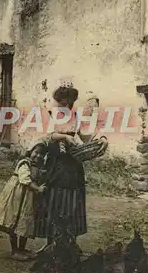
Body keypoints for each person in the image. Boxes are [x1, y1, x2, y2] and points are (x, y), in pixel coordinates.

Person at [34, 80, 108, 250]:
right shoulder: (50, 116)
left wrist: (102, 138)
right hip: (55, 165)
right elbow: (45, 137)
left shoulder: (76, 118)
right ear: (58, 101)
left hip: (73, 168)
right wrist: (63, 137)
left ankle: (70, 244)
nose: (66, 105)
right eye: (62, 102)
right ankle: (51, 244)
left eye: (70, 102)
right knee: (53, 203)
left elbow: (87, 136)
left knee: (72, 204)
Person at [0, 143, 47, 261]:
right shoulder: (24, 163)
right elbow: (24, 179)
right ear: (30, 151)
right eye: (36, 152)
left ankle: (22, 248)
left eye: (42, 154)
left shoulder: (38, 166)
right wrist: (38, 188)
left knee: (25, 222)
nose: (38, 155)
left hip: (28, 197)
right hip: (18, 195)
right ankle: (14, 250)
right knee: (14, 220)